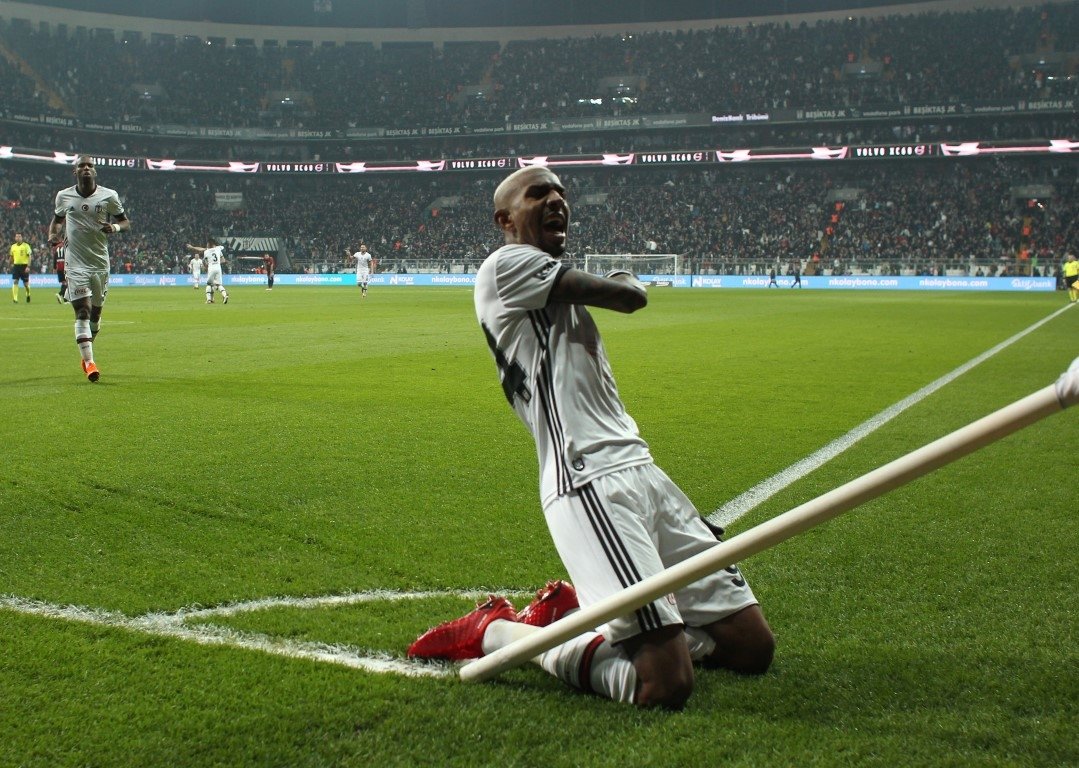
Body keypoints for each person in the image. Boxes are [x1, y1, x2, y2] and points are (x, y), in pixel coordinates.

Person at [407, 166, 774, 709]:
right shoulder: (505, 264)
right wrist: (627, 280)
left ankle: (590, 622)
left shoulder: (547, 280)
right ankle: (499, 633)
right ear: (504, 219)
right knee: (664, 685)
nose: (556, 200)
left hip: (641, 468)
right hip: (588, 478)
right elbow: (629, 297)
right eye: (539, 194)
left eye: (561, 193)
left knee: (751, 649)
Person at [47, 154, 131, 382]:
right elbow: (56, 220)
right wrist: (53, 235)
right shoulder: (63, 196)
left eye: (89, 166)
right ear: (75, 171)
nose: (86, 168)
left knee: (95, 315)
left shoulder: (109, 196)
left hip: (100, 264)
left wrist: (114, 227)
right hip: (75, 264)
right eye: (81, 166)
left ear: (95, 171)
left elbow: (125, 222)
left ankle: (87, 351)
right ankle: (90, 363)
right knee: (82, 312)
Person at [186, 238, 229, 305]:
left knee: (209, 284)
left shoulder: (207, 251)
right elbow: (223, 259)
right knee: (218, 284)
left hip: (211, 268)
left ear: (209, 244)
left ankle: (209, 300)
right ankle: (225, 294)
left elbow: (203, 257)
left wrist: (192, 247)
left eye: (207, 244)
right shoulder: (218, 249)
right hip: (218, 268)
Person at [9, 231, 32, 303]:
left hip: (24, 266)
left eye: (19, 236)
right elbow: (11, 256)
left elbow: (29, 256)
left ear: (22, 238)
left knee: (26, 284)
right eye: (17, 237)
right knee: (15, 281)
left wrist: (28, 266)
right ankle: (15, 299)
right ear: (15, 238)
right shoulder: (13, 246)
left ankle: (28, 294)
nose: (18, 238)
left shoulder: (26, 246)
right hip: (16, 266)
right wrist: (10, 263)